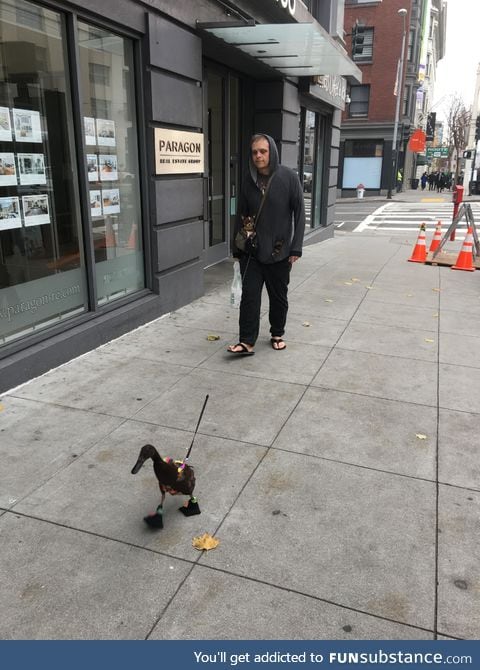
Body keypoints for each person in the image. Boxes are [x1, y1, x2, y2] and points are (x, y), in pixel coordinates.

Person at [227, 133, 305, 355]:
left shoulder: (288, 177)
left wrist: (296, 247)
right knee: (250, 297)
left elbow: (299, 212)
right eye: (254, 152)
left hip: (280, 252)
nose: (258, 156)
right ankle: (246, 341)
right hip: (252, 252)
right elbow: (241, 214)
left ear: (271, 151)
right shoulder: (248, 179)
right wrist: (237, 246)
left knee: (278, 296)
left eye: (263, 151)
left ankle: (277, 332)